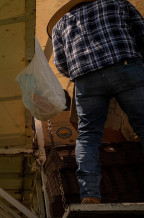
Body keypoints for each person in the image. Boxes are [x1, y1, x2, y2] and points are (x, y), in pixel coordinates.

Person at [48, 0, 144, 204]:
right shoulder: (118, 4)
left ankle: (90, 194)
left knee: (88, 136)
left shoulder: (60, 25)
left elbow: (60, 63)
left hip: (86, 81)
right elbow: (141, 36)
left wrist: (79, 74)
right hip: (125, 66)